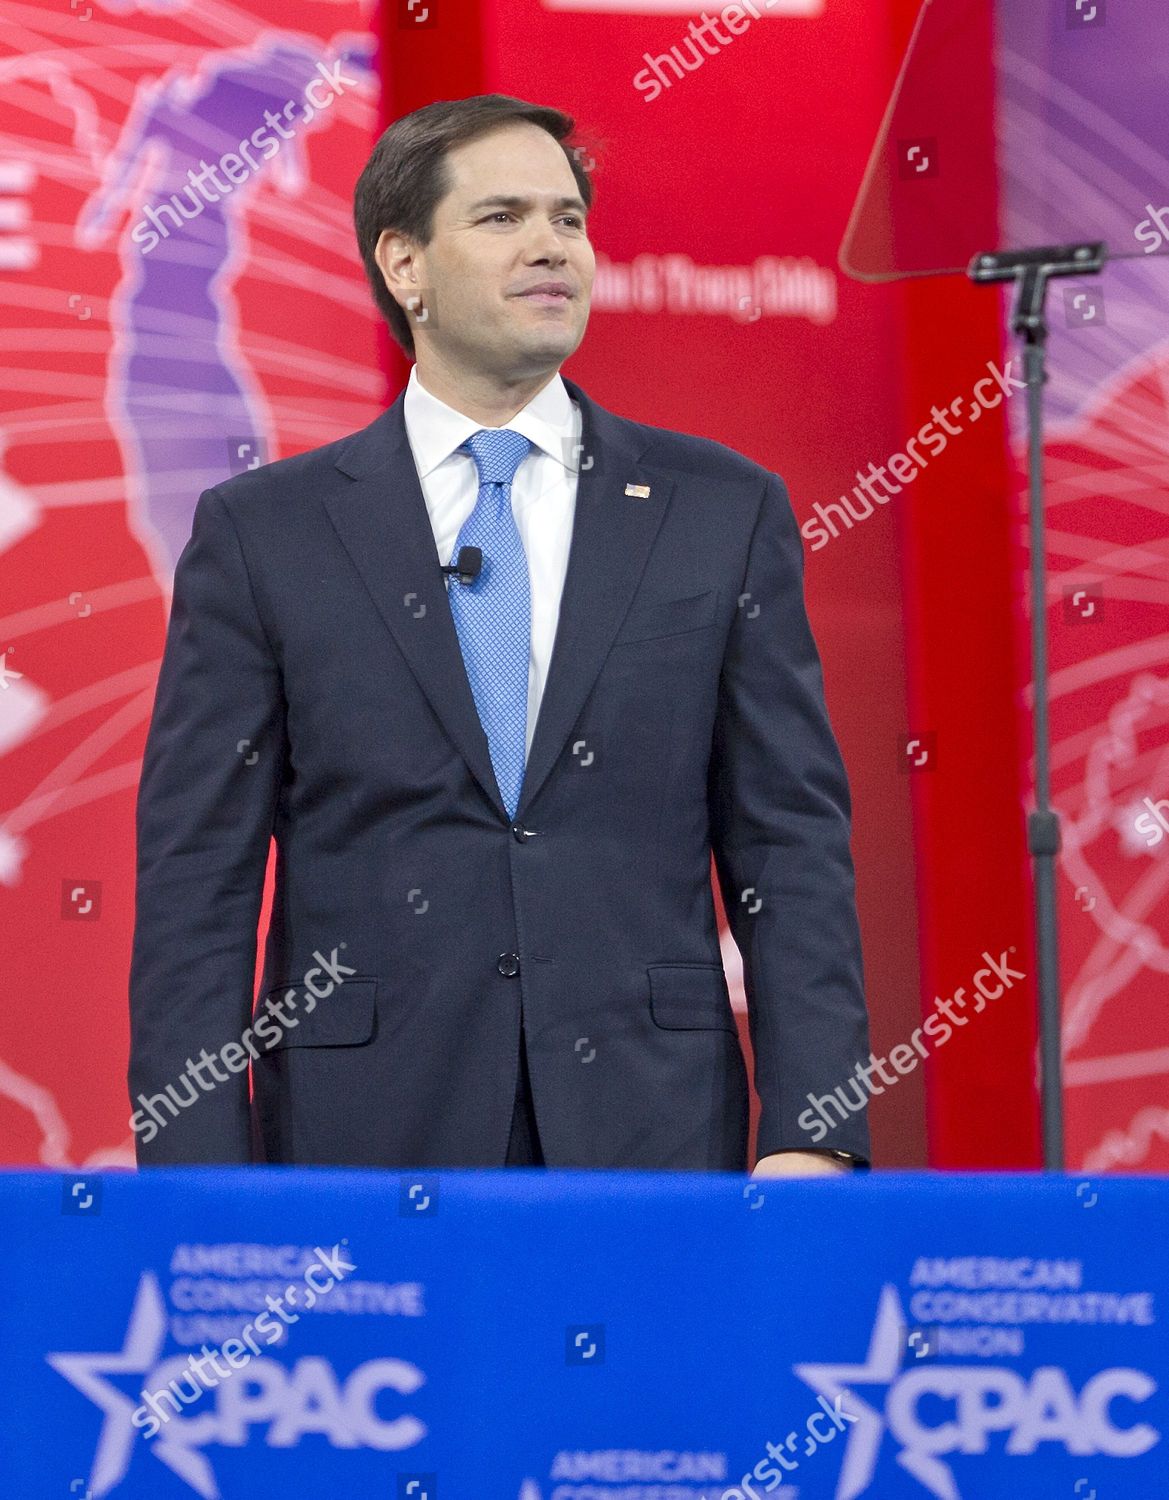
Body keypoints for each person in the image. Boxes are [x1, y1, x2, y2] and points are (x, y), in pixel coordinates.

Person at [128, 93, 871, 1175]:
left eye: (568, 219)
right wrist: (195, 1179)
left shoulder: (719, 509)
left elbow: (787, 843)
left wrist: (815, 1130)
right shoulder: (265, 533)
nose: (551, 247)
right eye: (502, 218)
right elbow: (199, 873)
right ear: (404, 265)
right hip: (363, 1141)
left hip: (650, 1131)